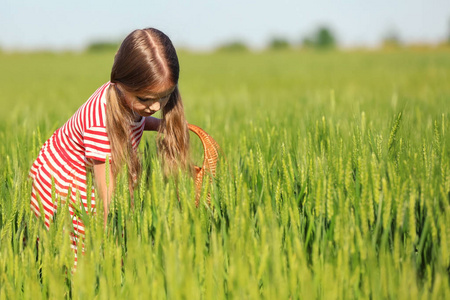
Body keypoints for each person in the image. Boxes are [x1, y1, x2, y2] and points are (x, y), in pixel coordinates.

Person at [29, 28, 190, 265]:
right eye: (145, 99)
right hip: (63, 190)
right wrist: (112, 239)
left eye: (164, 97)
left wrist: (160, 125)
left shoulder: (127, 99)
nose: (155, 106)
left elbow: (136, 120)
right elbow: (107, 197)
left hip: (88, 177)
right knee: (79, 260)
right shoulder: (100, 122)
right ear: (121, 84)